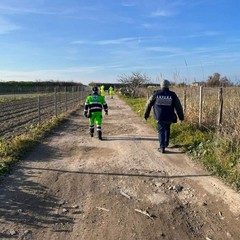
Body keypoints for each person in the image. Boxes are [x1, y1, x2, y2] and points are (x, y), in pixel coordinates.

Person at [144, 80, 184, 153]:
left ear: (161, 85)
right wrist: (181, 117)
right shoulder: (173, 95)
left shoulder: (155, 94)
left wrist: (146, 115)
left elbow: (148, 105)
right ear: (168, 85)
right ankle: (166, 143)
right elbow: (179, 107)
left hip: (159, 117)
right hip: (169, 117)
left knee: (161, 131)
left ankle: (162, 147)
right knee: (167, 128)